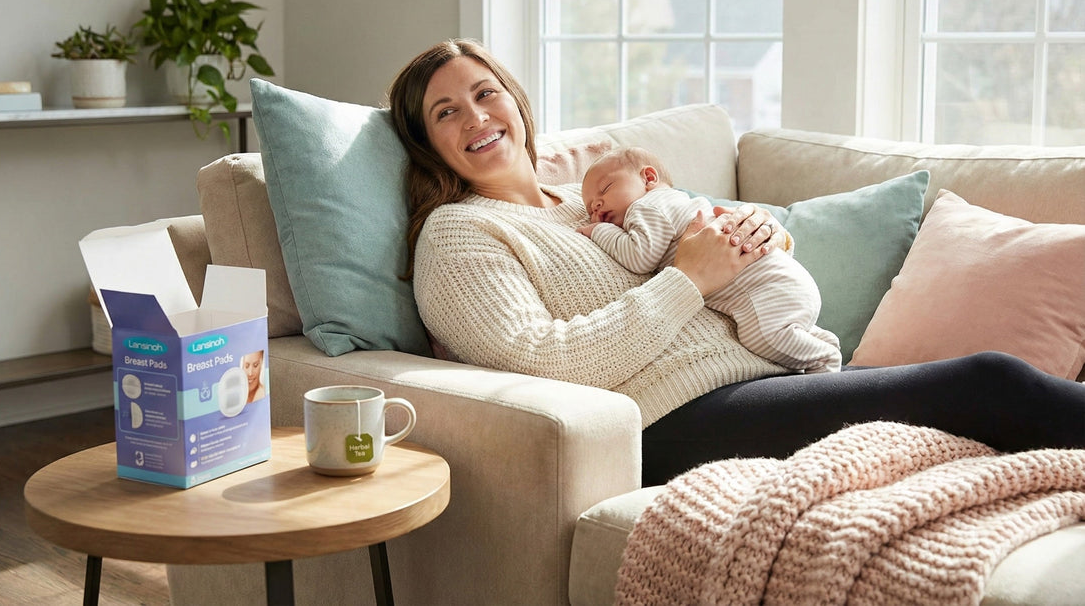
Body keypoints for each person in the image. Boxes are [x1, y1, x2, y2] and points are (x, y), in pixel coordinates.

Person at [389, 38, 1085, 486]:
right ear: (426, 143)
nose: (476, 117)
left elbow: (710, 247)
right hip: (670, 420)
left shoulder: (591, 199)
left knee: (979, 386)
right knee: (988, 384)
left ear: (515, 101)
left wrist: (760, 238)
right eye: (446, 112)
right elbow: (548, 361)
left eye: (484, 93)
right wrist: (688, 278)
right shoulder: (457, 236)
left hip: (766, 374)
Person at [578, 146, 840, 373]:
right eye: (590, 207)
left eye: (605, 189)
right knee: (779, 332)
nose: (596, 206)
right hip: (784, 282)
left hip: (767, 288)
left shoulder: (648, 206)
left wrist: (599, 230)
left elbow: (639, 257)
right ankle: (818, 341)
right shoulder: (674, 204)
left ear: (648, 178)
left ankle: (822, 356)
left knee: (762, 336)